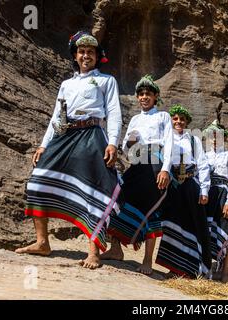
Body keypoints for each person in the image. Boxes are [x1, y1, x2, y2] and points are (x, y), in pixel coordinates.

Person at [15, 31, 122, 269]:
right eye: (82, 52)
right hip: (65, 134)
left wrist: (113, 142)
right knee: (37, 179)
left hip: (92, 134)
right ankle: (42, 242)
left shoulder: (107, 81)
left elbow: (114, 113)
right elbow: (56, 116)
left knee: (92, 189)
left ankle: (93, 251)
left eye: (91, 52)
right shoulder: (66, 84)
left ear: (97, 56)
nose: (86, 56)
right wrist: (44, 144)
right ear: (75, 56)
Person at [103, 75, 173, 275]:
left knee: (151, 209)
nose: (144, 97)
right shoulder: (134, 119)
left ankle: (147, 260)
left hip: (155, 164)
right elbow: (125, 149)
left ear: (155, 96)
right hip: (137, 163)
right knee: (119, 198)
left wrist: (165, 169)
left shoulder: (163, 117)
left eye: (148, 94)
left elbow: (169, 143)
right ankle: (116, 249)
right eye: (141, 94)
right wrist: (129, 143)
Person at [155, 104, 212, 279]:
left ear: (187, 121)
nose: (178, 122)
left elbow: (202, 165)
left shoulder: (193, 140)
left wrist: (204, 190)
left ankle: (193, 269)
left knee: (193, 224)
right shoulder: (165, 138)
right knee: (173, 223)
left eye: (182, 119)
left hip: (190, 184)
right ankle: (174, 267)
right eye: (175, 118)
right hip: (172, 185)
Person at [203, 120, 228, 283]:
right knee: (208, 232)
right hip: (209, 196)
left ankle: (224, 271)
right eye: (212, 136)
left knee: (225, 229)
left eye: (217, 136)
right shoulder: (205, 155)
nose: (214, 139)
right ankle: (208, 269)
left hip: (223, 195)